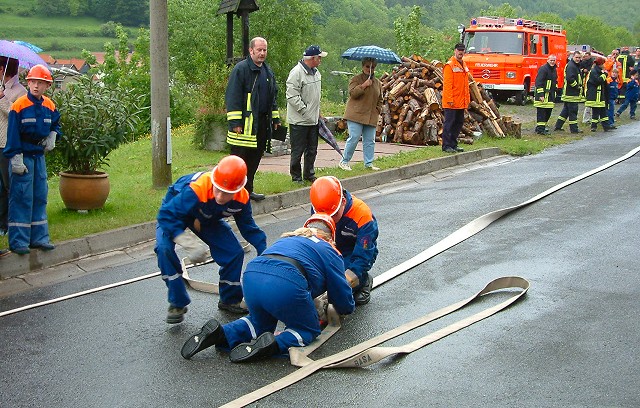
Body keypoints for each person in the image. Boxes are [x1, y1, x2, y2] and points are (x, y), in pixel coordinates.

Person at [181, 213, 355, 362]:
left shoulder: (290, 238)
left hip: (252, 275)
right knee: (306, 330)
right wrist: (345, 308)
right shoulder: (329, 249)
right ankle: (272, 345)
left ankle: (221, 333)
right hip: (286, 281)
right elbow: (341, 295)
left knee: (258, 322)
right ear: (330, 237)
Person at [154, 155, 267, 323]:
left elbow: (248, 227)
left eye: (227, 193)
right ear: (214, 181)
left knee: (234, 252)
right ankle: (177, 302)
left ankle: (229, 299)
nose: (220, 197)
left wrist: (265, 252)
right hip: (175, 214)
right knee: (164, 249)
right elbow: (166, 215)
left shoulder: (241, 199)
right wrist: (188, 243)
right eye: (218, 189)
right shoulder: (197, 189)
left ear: (237, 190)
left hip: (205, 216)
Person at [3, 64, 59, 255]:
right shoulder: (19, 105)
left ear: (47, 85)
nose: (36, 86)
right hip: (23, 155)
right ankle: (19, 242)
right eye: (33, 82)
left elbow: (56, 124)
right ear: (28, 83)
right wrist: (15, 158)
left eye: (40, 83)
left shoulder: (49, 105)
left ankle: (40, 238)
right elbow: (12, 133)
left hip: (39, 157)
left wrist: (53, 135)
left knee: (40, 196)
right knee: (21, 197)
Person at [225, 37, 281, 201]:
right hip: (244, 127)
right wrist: (235, 123)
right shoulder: (241, 69)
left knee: (254, 160)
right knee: (238, 162)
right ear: (251, 51)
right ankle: (232, 194)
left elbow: (273, 98)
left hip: (261, 125)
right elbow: (233, 97)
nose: (262, 53)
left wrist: (275, 119)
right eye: (259, 50)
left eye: (264, 50)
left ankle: (247, 191)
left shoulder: (267, 71)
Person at [309, 176, 378, 305]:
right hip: (331, 249)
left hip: (353, 252)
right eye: (325, 216)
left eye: (334, 215)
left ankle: (363, 281)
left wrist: (348, 279)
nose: (330, 220)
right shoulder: (320, 207)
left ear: (343, 201)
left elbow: (365, 253)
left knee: (339, 284)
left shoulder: (362, 215)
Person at [286, 45, 326, 184]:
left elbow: (315, 97)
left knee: (312, 150)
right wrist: (304, 110)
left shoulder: (317, 73)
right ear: (312, 58)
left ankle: (309, 174)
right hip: (299, 121)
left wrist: (317, 112)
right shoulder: (296, 73)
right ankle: (296, 177)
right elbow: (292, 96)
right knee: (297, 150)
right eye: (319, 57)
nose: (320, 60)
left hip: (313, 120)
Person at [0, 57, 27, 258]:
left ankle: (13, 224)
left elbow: (15, 114)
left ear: (3, 69)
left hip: (6, 145)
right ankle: (2, 223)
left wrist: (2, 99)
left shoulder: (20, 92)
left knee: (9, 185)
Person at [339, 57, 383, 171]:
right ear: (363, 66)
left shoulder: (378, 83)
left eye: (372, 67)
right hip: (356, 115)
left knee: (370, 141)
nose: (370, 69)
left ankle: (368, 163)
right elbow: (353, 93)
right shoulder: (356, 79)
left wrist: (378, 110)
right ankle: (344, 161)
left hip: (371, 116)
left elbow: (380, 99)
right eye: (367, 66)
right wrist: (364, 85)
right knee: (354, 137)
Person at [441, 43, 470, 153]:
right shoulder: (450, 65)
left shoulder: (464, 65)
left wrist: (466, 100)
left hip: (461, 101)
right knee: (449, 124)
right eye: (459, 50)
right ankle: (446, 145)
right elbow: (447, 85)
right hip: (451, 102)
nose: (460, 52)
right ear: (455, 51)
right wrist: (449, 100)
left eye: (462, 50)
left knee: (458, 123)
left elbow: (465, 85)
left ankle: (453, 144)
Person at [554, 51, 584, 133]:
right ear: (573, 57)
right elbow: (570, 78)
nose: (578, 59)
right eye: (576, 57)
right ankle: (574, 129)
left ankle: (558, 126)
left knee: (566, 111)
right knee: (573, 111)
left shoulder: (574, 65)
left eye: (579, 58)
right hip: (571, 93)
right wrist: (576, 86)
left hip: (570, 93)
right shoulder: (571, 66)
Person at [585, 56, 614, 132]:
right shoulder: (594, 71)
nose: (604, 65)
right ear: (600, 64)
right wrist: (605, 75)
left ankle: (605, 126)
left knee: (603, 112)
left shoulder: (598, 71)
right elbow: (598, 81)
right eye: (603, 64)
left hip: (599, 96)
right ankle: (594, 126)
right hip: (595, 96)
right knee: (596, 112)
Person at [533, 54, 558, 135]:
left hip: (550, 95)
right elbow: (538, 82)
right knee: (541, 113)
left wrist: (556, 90)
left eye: (554, 60)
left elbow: (555, 81)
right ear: (547, 60)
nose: (552, 62)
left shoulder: (554, 69)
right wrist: (541, 94)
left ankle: (540, 127)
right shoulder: (543, 69)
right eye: (551, 60)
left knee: (548, 112)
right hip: (543, 95)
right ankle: (540, 129)